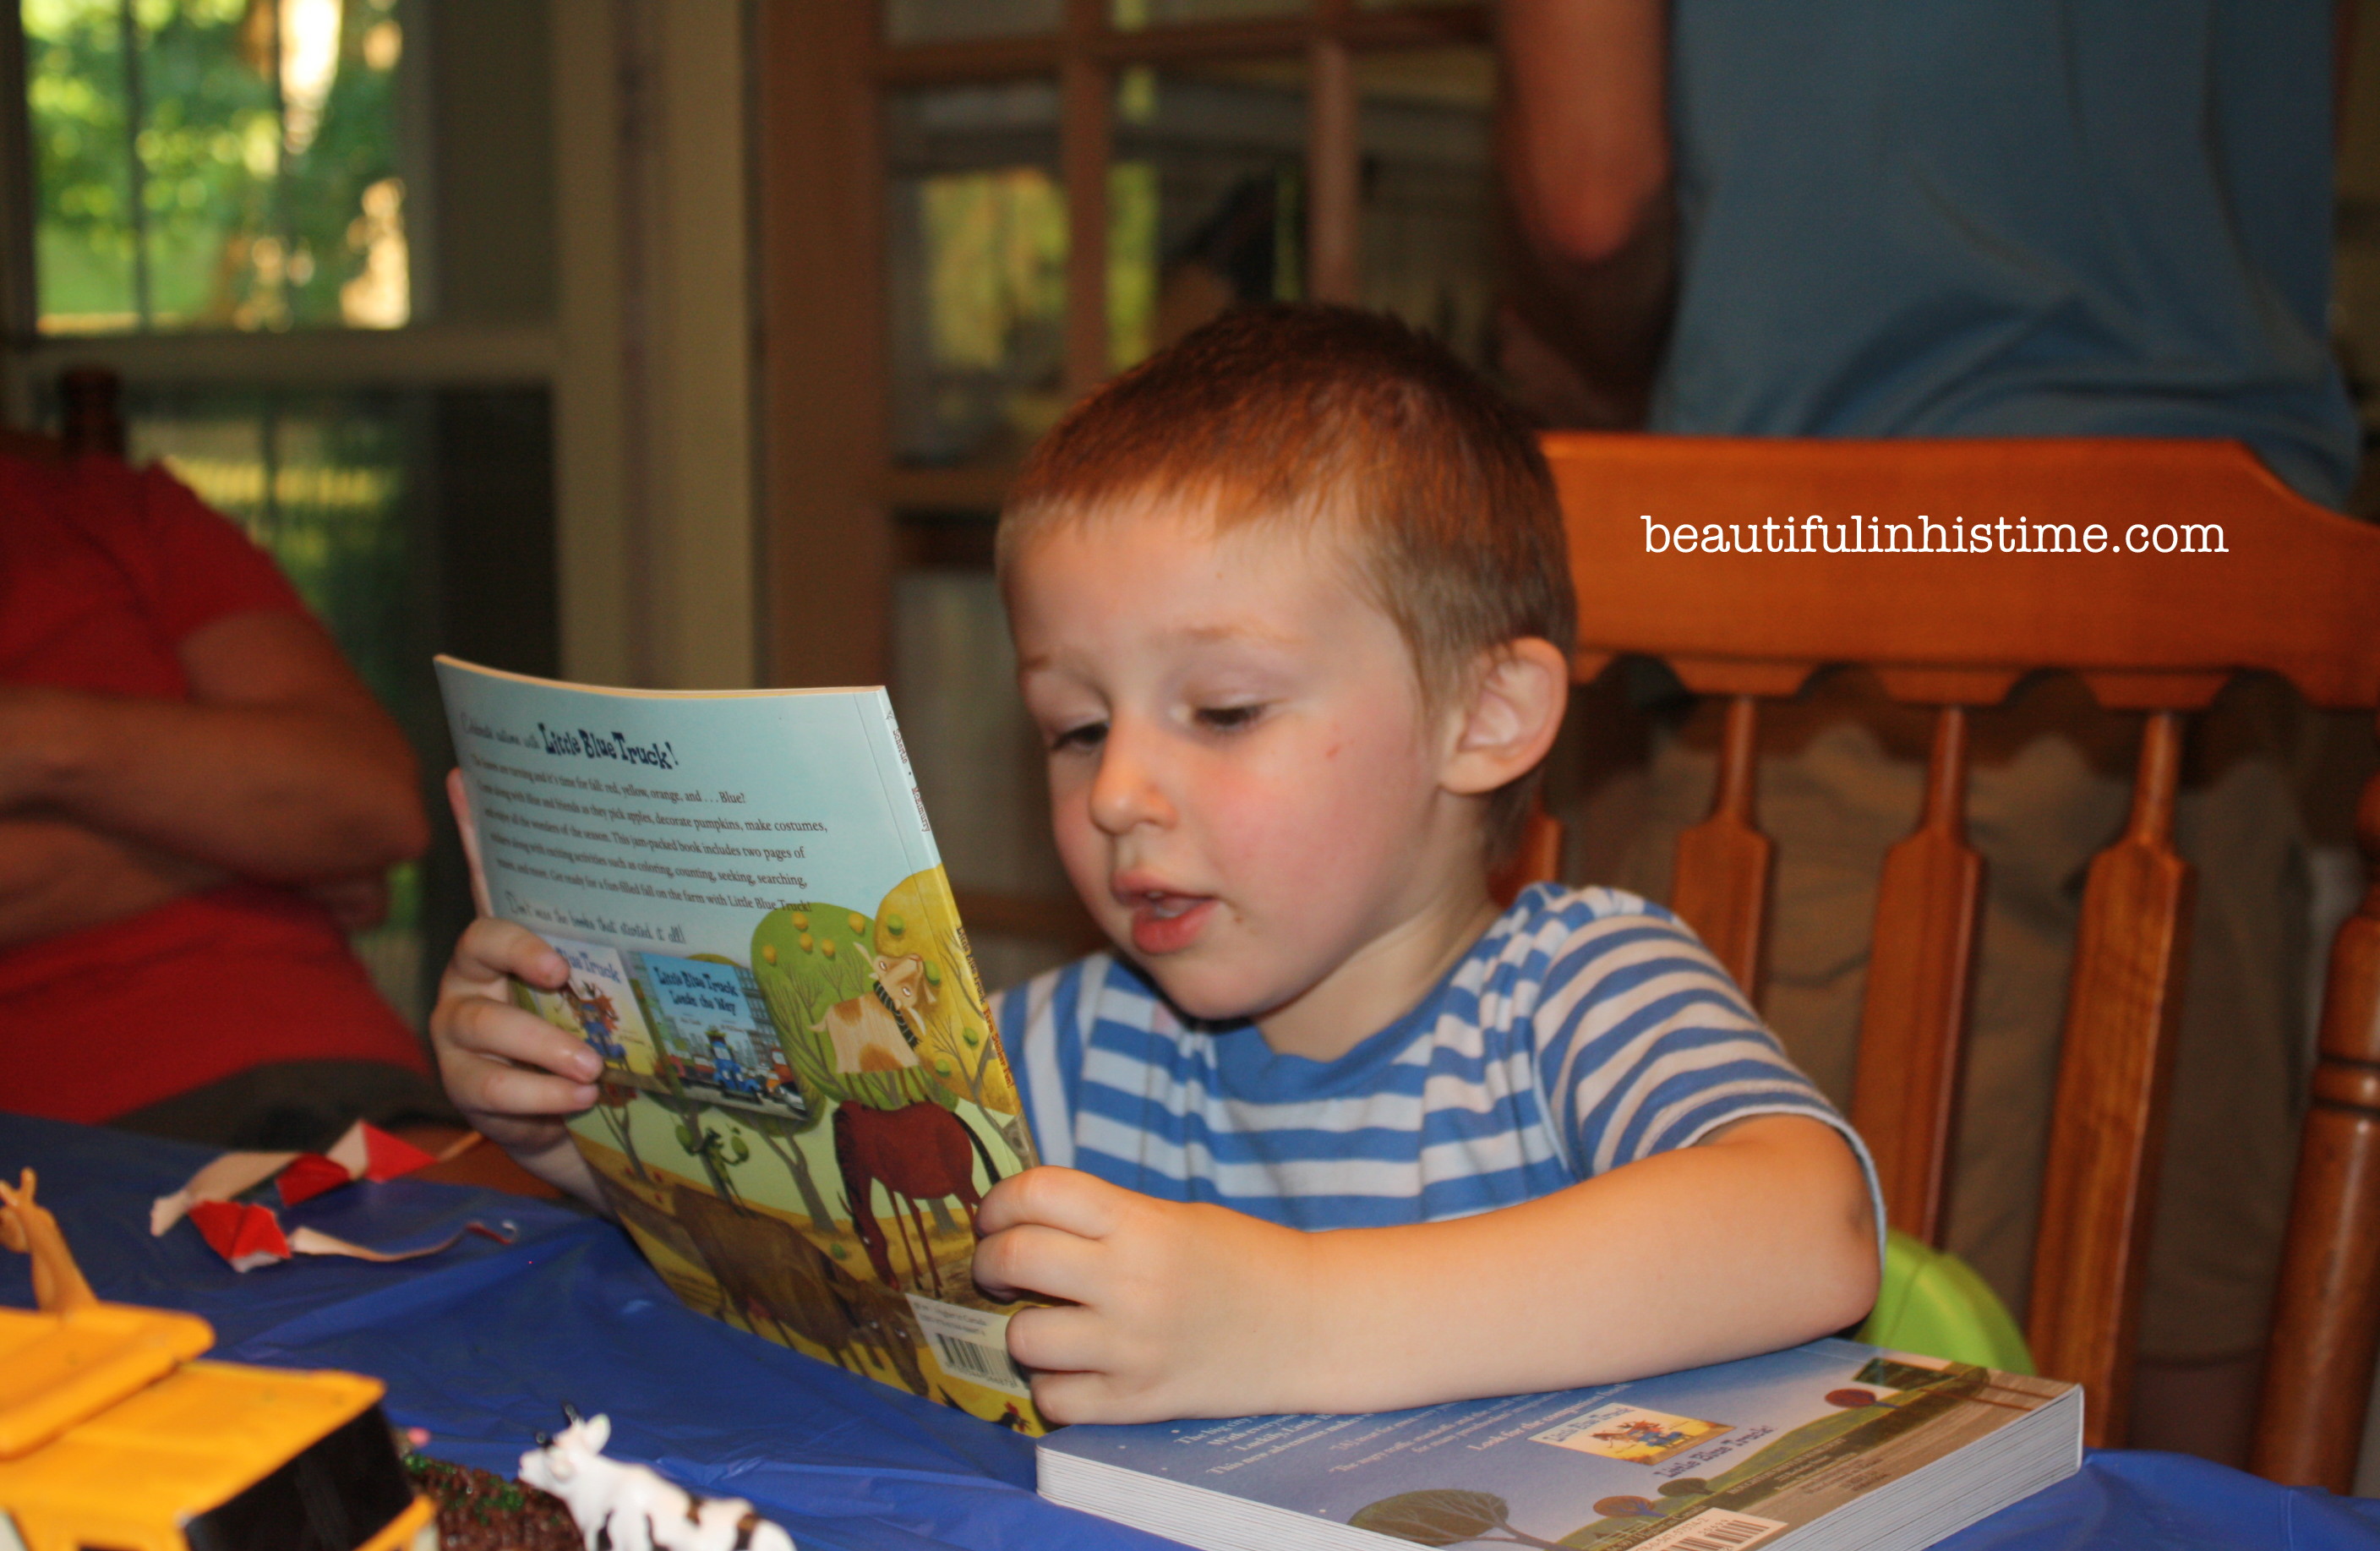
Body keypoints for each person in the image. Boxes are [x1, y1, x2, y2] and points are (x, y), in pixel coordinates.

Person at [432, 305, 1881, 1424]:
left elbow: (1808, 1231)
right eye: (1073, 729)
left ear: (1483, 719)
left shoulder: (1575, 988)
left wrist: (1294, 1319)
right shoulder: (1070, 1050)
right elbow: (837, 1247)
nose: (1119, 790)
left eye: (1226, 712)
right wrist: (585, 1133)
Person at [1497, 0, 2358, 1462]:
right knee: (2180, 1338)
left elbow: (1592, 195)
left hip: (1854, 610)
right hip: (2232, 575)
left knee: (1797, 1414)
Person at [0, 445, 439, 1146]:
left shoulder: (113, 506)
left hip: (340, 1077)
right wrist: (264, 842)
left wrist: (42, 742)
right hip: (61, 1134)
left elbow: (371, 801)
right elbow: (334, 815)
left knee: (552, 1244)